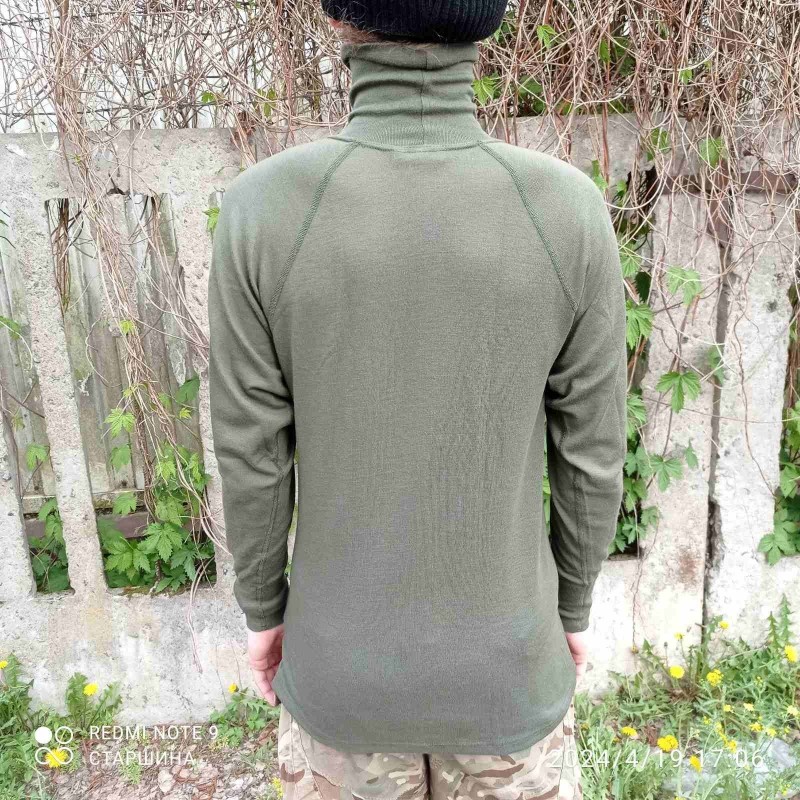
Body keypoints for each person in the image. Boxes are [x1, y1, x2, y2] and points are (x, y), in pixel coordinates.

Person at [207, 1, 628, 797]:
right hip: (509, 668)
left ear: (340, 18)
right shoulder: (566, 211)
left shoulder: (264, 209)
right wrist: (570, 609)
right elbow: (593, 453)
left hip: (341, 678)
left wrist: (264, 611)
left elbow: (251, 453)